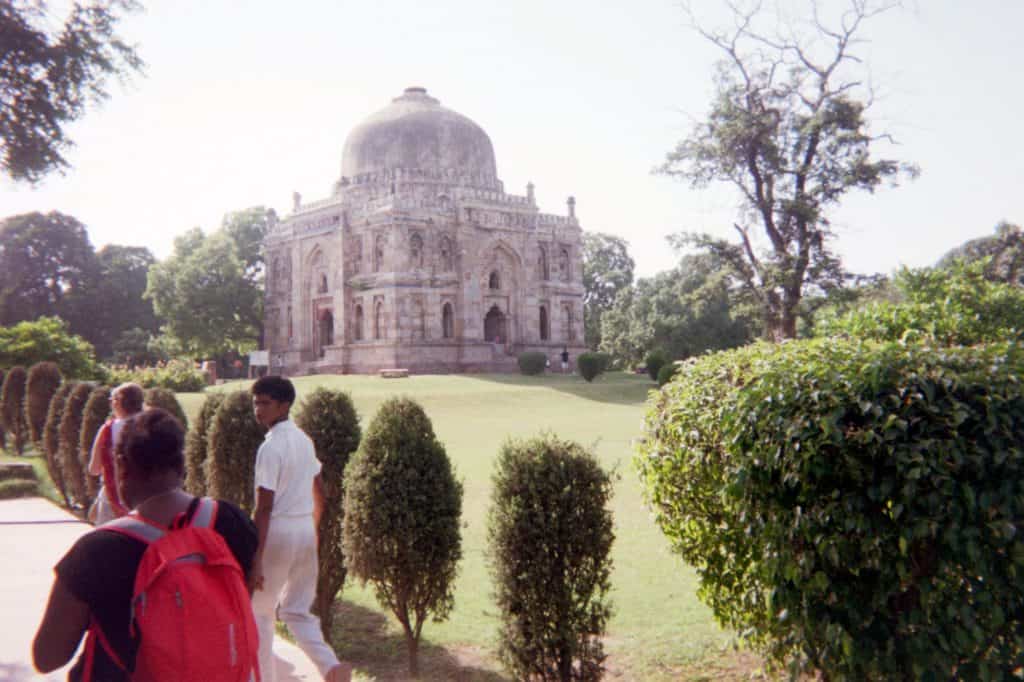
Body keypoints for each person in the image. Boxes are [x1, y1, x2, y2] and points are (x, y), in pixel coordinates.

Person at [32, 408, 259, 681]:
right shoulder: (232, 522)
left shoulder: (97, 550)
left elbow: (47, 657)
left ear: (122, 465)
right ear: (181, 465)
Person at [250, 376, 352, 682]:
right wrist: (313, 531)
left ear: (284, 405)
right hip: (304, 528)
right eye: (256, 402)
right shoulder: (304, 440)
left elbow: (263, 507)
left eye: (265, 403)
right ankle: (329, 665)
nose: (258, 410)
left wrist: (255, 558)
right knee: (296, 610)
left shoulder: (270, 448)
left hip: (279, 532)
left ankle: (264, 678)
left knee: (260, 613)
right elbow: (318, 491)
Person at [87, 382, 144, 524]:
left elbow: (94, 469)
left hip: (113, 497)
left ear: (118, 402)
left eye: (112, 400)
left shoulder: (108, 429)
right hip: (146, 498)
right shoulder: (152, 426)